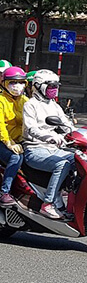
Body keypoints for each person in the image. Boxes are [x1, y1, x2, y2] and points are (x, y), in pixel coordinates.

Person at [22, 69, 75, 220]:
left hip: (54, 148)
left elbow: (66, 124)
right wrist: (50, 137)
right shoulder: (30, 105)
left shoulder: (54, 105)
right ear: (39, 86)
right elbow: (31, 129)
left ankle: (70, 201)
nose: (54, 89)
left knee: (79, 160)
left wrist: (80, 134)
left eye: (56, 86)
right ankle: (48, 203)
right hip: (35, 149)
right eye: (51, 86)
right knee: (62, 164)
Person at [0, 66, 28, 207]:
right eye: (13, 82)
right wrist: (9, 143)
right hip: (3, 142)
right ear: (4, 83)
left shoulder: (25, 101)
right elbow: (1, 126)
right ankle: (4, 191)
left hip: (21, 140)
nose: (17, 86)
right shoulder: (1, 100)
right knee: (16, 157)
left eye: (21, 82)